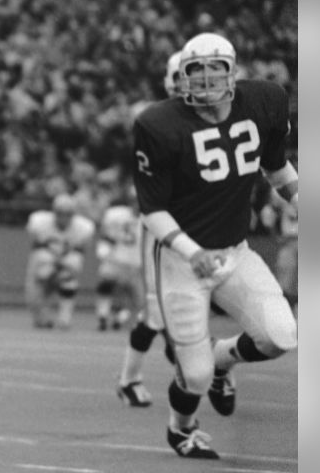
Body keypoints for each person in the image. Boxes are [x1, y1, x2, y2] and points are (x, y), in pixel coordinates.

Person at [133, 32, 299, 459]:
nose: (205, 78)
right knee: (195, 376)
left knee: (281, 336)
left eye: (214, 68)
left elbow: (276, 167)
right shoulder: (158, 124)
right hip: (180, 260)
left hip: (235, 251)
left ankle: (225, 359)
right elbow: (151, 209)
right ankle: (181, 428)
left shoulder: (264, 101)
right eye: (195, 69)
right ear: (182, 76)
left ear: (232, 71)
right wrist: (193, 253)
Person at [117, 51, 182, 407]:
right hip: (162, 222)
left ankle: (194, 371)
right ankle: (129, 378)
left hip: (200, 223)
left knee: (189, 308)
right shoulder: (155, 120)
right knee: (158, 310)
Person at [24, 194, 96, 330]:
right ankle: (42, 317)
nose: (63, 217)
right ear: (54, 212)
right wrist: (51, 265)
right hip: (43, 265)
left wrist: (60, 266)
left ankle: (65, 318)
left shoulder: (83, 227)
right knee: (34, 303)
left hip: (65, 264)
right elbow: (35, 247)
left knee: (72, 267)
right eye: (60, 213)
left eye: (67, 214)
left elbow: (81, 253)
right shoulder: (39, 222)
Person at [95, 191, 144, 333]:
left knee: (138, 300)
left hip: (133, 263)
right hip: (120, 259)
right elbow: (106, 236)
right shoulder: (117, 215)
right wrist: (104, 249)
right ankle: (105, 316)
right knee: (109, 287)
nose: (138, 204)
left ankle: (118, 318)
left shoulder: (117, 214)